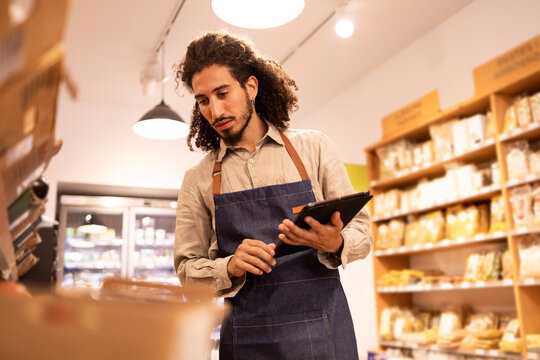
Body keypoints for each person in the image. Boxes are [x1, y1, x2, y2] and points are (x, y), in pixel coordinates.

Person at [173, 32, 373, 360]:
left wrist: (333, 243)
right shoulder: (197, 180)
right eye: (203, 100)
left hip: (322, 330)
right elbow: (187, 272)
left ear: (250, 87)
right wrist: (230, 266)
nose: (215, 110)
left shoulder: (314, 149)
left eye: (223, 93)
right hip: (245, 339)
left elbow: (362, 234)